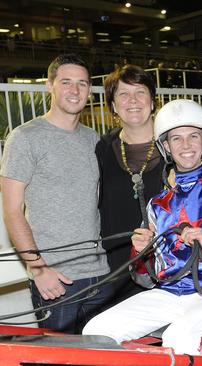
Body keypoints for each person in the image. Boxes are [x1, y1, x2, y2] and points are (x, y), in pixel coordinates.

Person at [83, 99, 202, 355]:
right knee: (96, 332)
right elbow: (146, 278)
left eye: (193, 136)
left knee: (181, 340)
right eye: (176, 139)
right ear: (165, 146)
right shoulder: (159, 204)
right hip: (173, 292)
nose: (186, 145)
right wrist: (142, 254)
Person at [0, 54, 112, 333]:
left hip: (100, 274)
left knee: (102, 357)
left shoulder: (93, 139)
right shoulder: (26, 137)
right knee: (57, 358)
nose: (75, 91)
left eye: (82, 83)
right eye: (66, 82)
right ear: (50, 86)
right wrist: (38, 269)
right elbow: (12, 211)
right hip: (56, 280)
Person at [96, 65, 164, 308]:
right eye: (123, 94)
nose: (132, 101)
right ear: (113, 106)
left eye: (140, 92)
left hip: (170, 269)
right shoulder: (102, 149)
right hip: (119, 271)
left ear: (153, 101)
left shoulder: (175, 145)